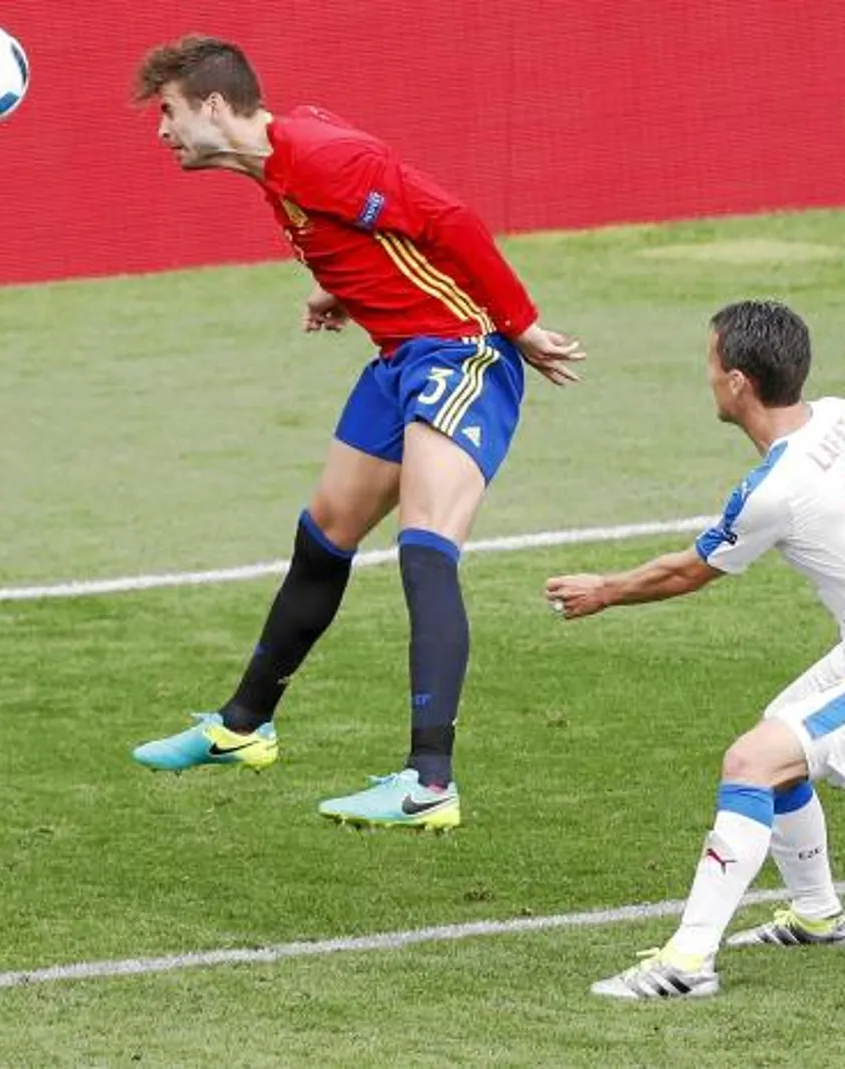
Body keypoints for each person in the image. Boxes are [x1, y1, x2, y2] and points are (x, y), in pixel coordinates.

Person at [126, 36, 585, 829]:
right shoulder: (280, 159)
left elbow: (448, 220)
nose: (160, 133)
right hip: (399, 355)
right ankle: (242, 728)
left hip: (462, 351)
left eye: (166, 113)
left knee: (426, 548)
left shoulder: (315, 156)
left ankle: (429, 784)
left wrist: (522, 324)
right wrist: (338, 286)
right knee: (324, 534)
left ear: (211, 105)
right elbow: (368, 227)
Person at [547, 300, 844, 999]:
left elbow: (689, 569)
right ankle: (816, 910)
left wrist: (604, 590)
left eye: (711, 362)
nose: (706, 374)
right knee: (783, 734)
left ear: (738, 381)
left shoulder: (772, 492)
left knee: (752, 758)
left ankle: (686, 961)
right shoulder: (836, 414)